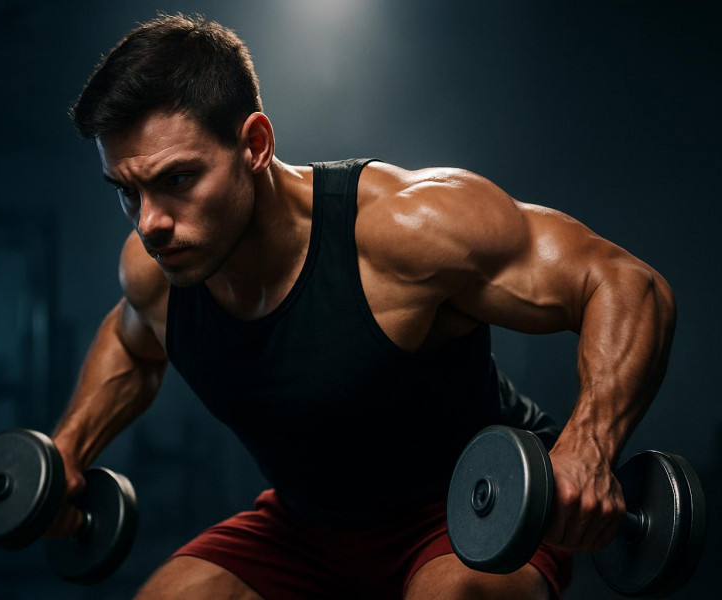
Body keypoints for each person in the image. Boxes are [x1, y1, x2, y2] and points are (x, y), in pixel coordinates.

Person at [47, 14, 675, 600]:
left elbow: (622, 282)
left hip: (475, 509)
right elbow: (133, 344)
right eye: (127, 191)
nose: (150, 223)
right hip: (305, 528)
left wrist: (588, 446)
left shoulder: (404, 230)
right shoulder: (158, 274)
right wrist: (69, 451)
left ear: (256, 144)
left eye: (177, 179)